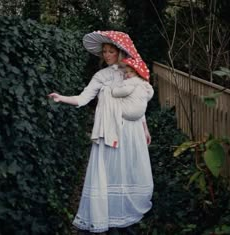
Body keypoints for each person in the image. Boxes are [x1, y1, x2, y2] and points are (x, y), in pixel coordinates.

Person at [48, 31, 153, 234]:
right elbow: (83, 98)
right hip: (108, 130)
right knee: (108, 172)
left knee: (128, 171)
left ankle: (125, 217)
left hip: (129, 131)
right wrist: (62, 98)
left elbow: (138, 103)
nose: (106, 55)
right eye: (104, 51)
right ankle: (106, 215)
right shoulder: (101, 76)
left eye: (111, 51)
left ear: (119, 52)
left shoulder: (130, 71)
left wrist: (145, 128)